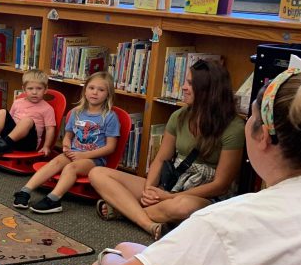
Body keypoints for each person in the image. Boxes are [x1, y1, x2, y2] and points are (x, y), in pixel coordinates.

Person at [84, 68, 301, 265]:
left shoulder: (226, 222)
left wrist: (109, 255)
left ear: (262, 135)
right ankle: (146, 222)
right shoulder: (180, 118)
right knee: (130, 245)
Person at [89, 59, 244, 239]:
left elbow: (220, 185)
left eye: (190, 83)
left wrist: (168, 198)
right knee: (97, 174)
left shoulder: (234, 127)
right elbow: (161, 158)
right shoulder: (179, 116)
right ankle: (150, 224)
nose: (184, 87)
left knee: (184, 207)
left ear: (208, 90)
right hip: (171, 184)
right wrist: (149, 189)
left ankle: (124, 210)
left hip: (202, 195)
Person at [14, 71, 120, 214]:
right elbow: (68, 135)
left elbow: (111, 147)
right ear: (85, 90)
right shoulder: (76, 112)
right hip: (74, 152)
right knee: (55, 162)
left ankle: (54, 199)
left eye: (101, 90)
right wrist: (66, 144)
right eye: (91, 88)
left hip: (94, 159)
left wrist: (84, 156)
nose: (95, 93)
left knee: (71, 168)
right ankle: (25, 191)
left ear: (108, 94)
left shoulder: (109, 117)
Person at [0, 69, 57, 157]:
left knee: (27, 121)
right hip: (7, 139)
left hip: (27, 144)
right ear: (24, 89)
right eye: (30, 88)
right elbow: (9, 119)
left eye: (39, 88)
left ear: (45, 89)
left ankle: (4, 143)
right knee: (1, 112)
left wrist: (46, 146)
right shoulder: (18, 102)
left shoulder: (47, 109)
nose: (34, 92)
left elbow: (50, 129)